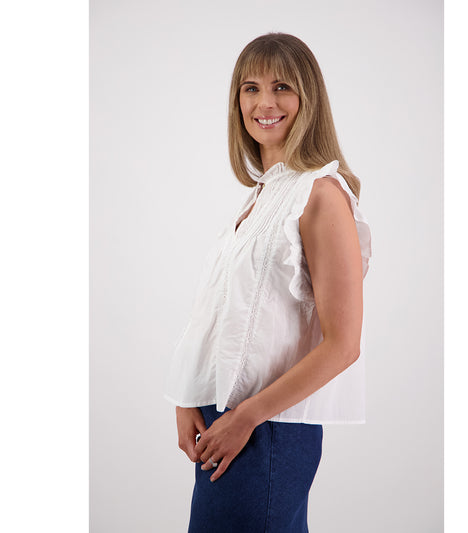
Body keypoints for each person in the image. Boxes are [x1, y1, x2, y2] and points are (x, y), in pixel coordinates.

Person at [164, 32, 372, 532]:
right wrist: (188, 396)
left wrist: (246, 417)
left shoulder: (320, 194)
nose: (265, 103)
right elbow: (221, 316)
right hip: (230, 423)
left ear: (308, 98)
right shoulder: (263, 196)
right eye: (250, 88)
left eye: (282, 87)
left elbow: (343, 345)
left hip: (268, 429)